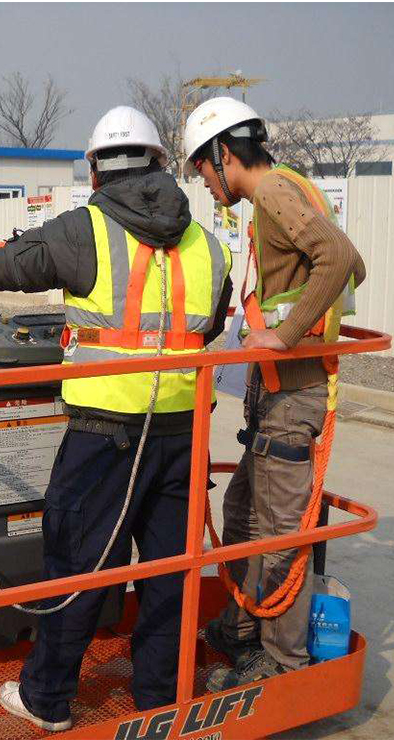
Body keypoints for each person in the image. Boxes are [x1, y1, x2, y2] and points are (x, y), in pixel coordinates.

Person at [0, 106, 232, 731]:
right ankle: (162, 701)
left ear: (95, 168)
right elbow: (212, 324)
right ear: (161, 163)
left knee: (76, 565)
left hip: (104, 435)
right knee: (169, 573)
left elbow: (6, 269)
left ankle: (48, 698)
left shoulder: (84, 229)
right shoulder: (209, 243)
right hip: (181, 431)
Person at [182, 97, 366, 690]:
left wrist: (285, 335)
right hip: (277, 394)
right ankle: (241, 626)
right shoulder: (291, 189)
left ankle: (280, 663)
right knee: (241, 513)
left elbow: (337, 258)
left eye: (202, 172)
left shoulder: (270, 194)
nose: (205, 185)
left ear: (222, 154)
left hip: (294, 395)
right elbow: (354, 263)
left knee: (279, 530)